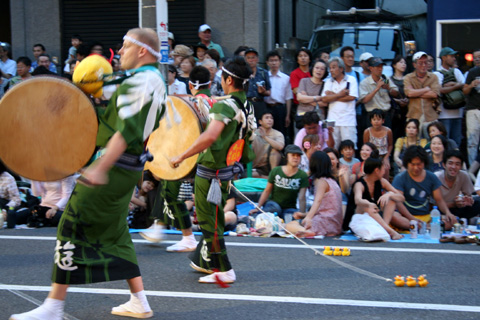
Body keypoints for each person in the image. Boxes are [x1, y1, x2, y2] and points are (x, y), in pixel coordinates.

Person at [10, 27, 167, 319]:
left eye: (125, 46)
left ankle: (53, 307)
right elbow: (101, 92)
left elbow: (127, 128)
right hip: (127, 168)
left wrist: (99, 167)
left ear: (142, 50)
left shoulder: (145, 81)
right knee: (117, 231)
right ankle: (139, 301)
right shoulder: (146, 80)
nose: (119, 52)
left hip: (114, 166)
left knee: (71, 224)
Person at [170, 56, 256, 284]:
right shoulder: (245, 104)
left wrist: (181, 156)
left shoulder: (224, 106)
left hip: (211, 172)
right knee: (213, 218)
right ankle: (205, 260)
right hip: (227, 171)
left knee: (209, 222)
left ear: (228, 79)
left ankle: (224, 269)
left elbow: (209, 136)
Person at [392, 146, 457, 231]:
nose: (416, 168)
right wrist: (412, 218)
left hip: (426, 217)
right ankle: (421, 227)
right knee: (393, 216)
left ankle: (422, 227)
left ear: (424, 163)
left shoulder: (431, 177)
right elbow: (398, 203)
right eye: (412, 164)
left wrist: (448, 213)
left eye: (419, 164)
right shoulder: (400, 178)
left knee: (450, 221)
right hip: (406, 217)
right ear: (407, 164)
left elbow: (439, 200)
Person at [285, 151, 343, 238]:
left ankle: (307, 231)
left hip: (323, 222)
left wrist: (308, 217)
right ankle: (309, 230)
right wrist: (304, 214)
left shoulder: (321, 181)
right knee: (297, 222)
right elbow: (326, 208)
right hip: (335, 226)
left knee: (288, 226)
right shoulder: (332, 181)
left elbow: (318, 201)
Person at [345, 157, 404, 240]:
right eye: (383, 169)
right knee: (366, 206)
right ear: (377, 170)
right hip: (358, 219)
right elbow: (358, 200)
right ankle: (390, 231)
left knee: (392, 199)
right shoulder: (359, 184)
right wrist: (369, 204)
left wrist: (389, 195)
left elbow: (401, 198)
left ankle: (385, 229)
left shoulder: (382, 181)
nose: (384, 172)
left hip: (374, 217)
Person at [249, 144, 308, 222]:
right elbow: (267, 190)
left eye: (298, 156)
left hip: (289, 208)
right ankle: (254, 219)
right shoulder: (276, 171)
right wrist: (258, 208)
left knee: (291, 219)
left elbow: (302, 198)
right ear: (287, 157)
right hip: (273, 204)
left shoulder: (302, 175)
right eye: (293, 155)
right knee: (276, 209)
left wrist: (302, 215)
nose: (295, 158)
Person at [322, 57, 358, 149]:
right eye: (330, 68)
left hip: (348, 120)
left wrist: (333, 96)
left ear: (341, 69)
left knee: (349, 148)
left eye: (334, 67)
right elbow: (324, 99)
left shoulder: (351, 79)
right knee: (330, 148)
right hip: (331, 120)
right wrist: (340, 94)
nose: (331, 70)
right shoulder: (328, 81)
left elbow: (352, 97)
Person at [404, 51, 441, 138]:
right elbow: (409, 93)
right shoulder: (408, 77)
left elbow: (434, 94)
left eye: (425, 62)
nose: (424, 65)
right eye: (420, 63)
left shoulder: (433, 77)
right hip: (413, 117)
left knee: (432, 142)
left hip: (430, 117)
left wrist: (416, 92)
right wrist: (426, 89)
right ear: (414, 65)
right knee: (413, 143)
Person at [436, 150, 480, 221]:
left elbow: (469, 195)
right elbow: (431, 205)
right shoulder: (436, 177)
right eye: (450, 163)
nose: (453, 167)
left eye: (457, 164)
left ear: (461, 166)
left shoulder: (464, 175)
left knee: (478, 203)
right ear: (444, 165)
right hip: (440, 209)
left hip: (456, 208)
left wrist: (467, 200)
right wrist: (454, 204)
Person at [434, 47, 465, 146]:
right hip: (444, 115)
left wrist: (451, 85)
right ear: (443, 57)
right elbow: (440, 90)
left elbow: (464, 87)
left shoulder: (457, 71)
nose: (454, 58)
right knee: (445, 143)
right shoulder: (436, 74)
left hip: (458, 114)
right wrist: (456, 85)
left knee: (457, 142)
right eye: (451, 56)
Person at [359, 57, 399, 128]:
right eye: (378, 67)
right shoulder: (364, 83)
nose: (380, 69)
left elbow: (396, 93)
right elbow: (364, 100)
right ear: (371, 68)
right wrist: (376, 88)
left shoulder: (385, 78)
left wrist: (388, 88)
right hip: (372, 116)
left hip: (386, 114)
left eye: (381, 66)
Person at [264, 50, 293, 136]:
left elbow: (288, 97)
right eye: (271, 61)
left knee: (280, 132)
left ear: (280, 62)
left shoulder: (286, 78)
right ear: (267, 63)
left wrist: (288, 115)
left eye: (276, 60)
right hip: (267, 107)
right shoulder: (264, 76)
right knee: (266, 132)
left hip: (280, 108)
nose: (274, 63)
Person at [252, 111, 285, 178]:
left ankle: (273, 175)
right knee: (249, 174)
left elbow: (280, 147)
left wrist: (265, 137)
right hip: (258, 167)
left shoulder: (278, 134)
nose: (270, 120)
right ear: (260, 121)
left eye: (271, 118)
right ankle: (270, 178)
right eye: (267, 118)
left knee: (275, 151)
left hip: (273, 166)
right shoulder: (253, 134)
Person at [363, 109, 393, 178]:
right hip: (371, 157)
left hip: (384, 156)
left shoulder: (388, 131)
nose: (376, 122)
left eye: (378, 119)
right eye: (374, 119)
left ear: (383, 121)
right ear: (371, 121)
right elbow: (366, 146)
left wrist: (386, 158)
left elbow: (390, 145)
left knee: (386, 168)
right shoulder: (367, 131)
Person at [463, 50, 480, 166]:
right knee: (472, 142)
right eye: (475, 57)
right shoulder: (472, 72)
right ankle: (472, 172)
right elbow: (464, 91)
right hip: (473, 110)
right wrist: (471, 85)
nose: (477, 59)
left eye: (479, 57)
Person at [245, 47, 271, 121]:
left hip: (260, 103)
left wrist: (263, 91)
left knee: (261, 126)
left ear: (257, 59)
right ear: (245, 60)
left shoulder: (264, 72)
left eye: (253, 57)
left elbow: (269, 92)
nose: (251, 60)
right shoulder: (242, 73)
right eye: (248, 58)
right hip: (247, 103)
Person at [390, 55, 410, 141]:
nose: (403, 65)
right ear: (394, 65)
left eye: (405, 63)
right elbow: (385, 94)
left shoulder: (409, 78)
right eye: (401, 62)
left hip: (408, 109)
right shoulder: (388, 78)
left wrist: (407, 100)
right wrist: (397, 101)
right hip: (395, 111)